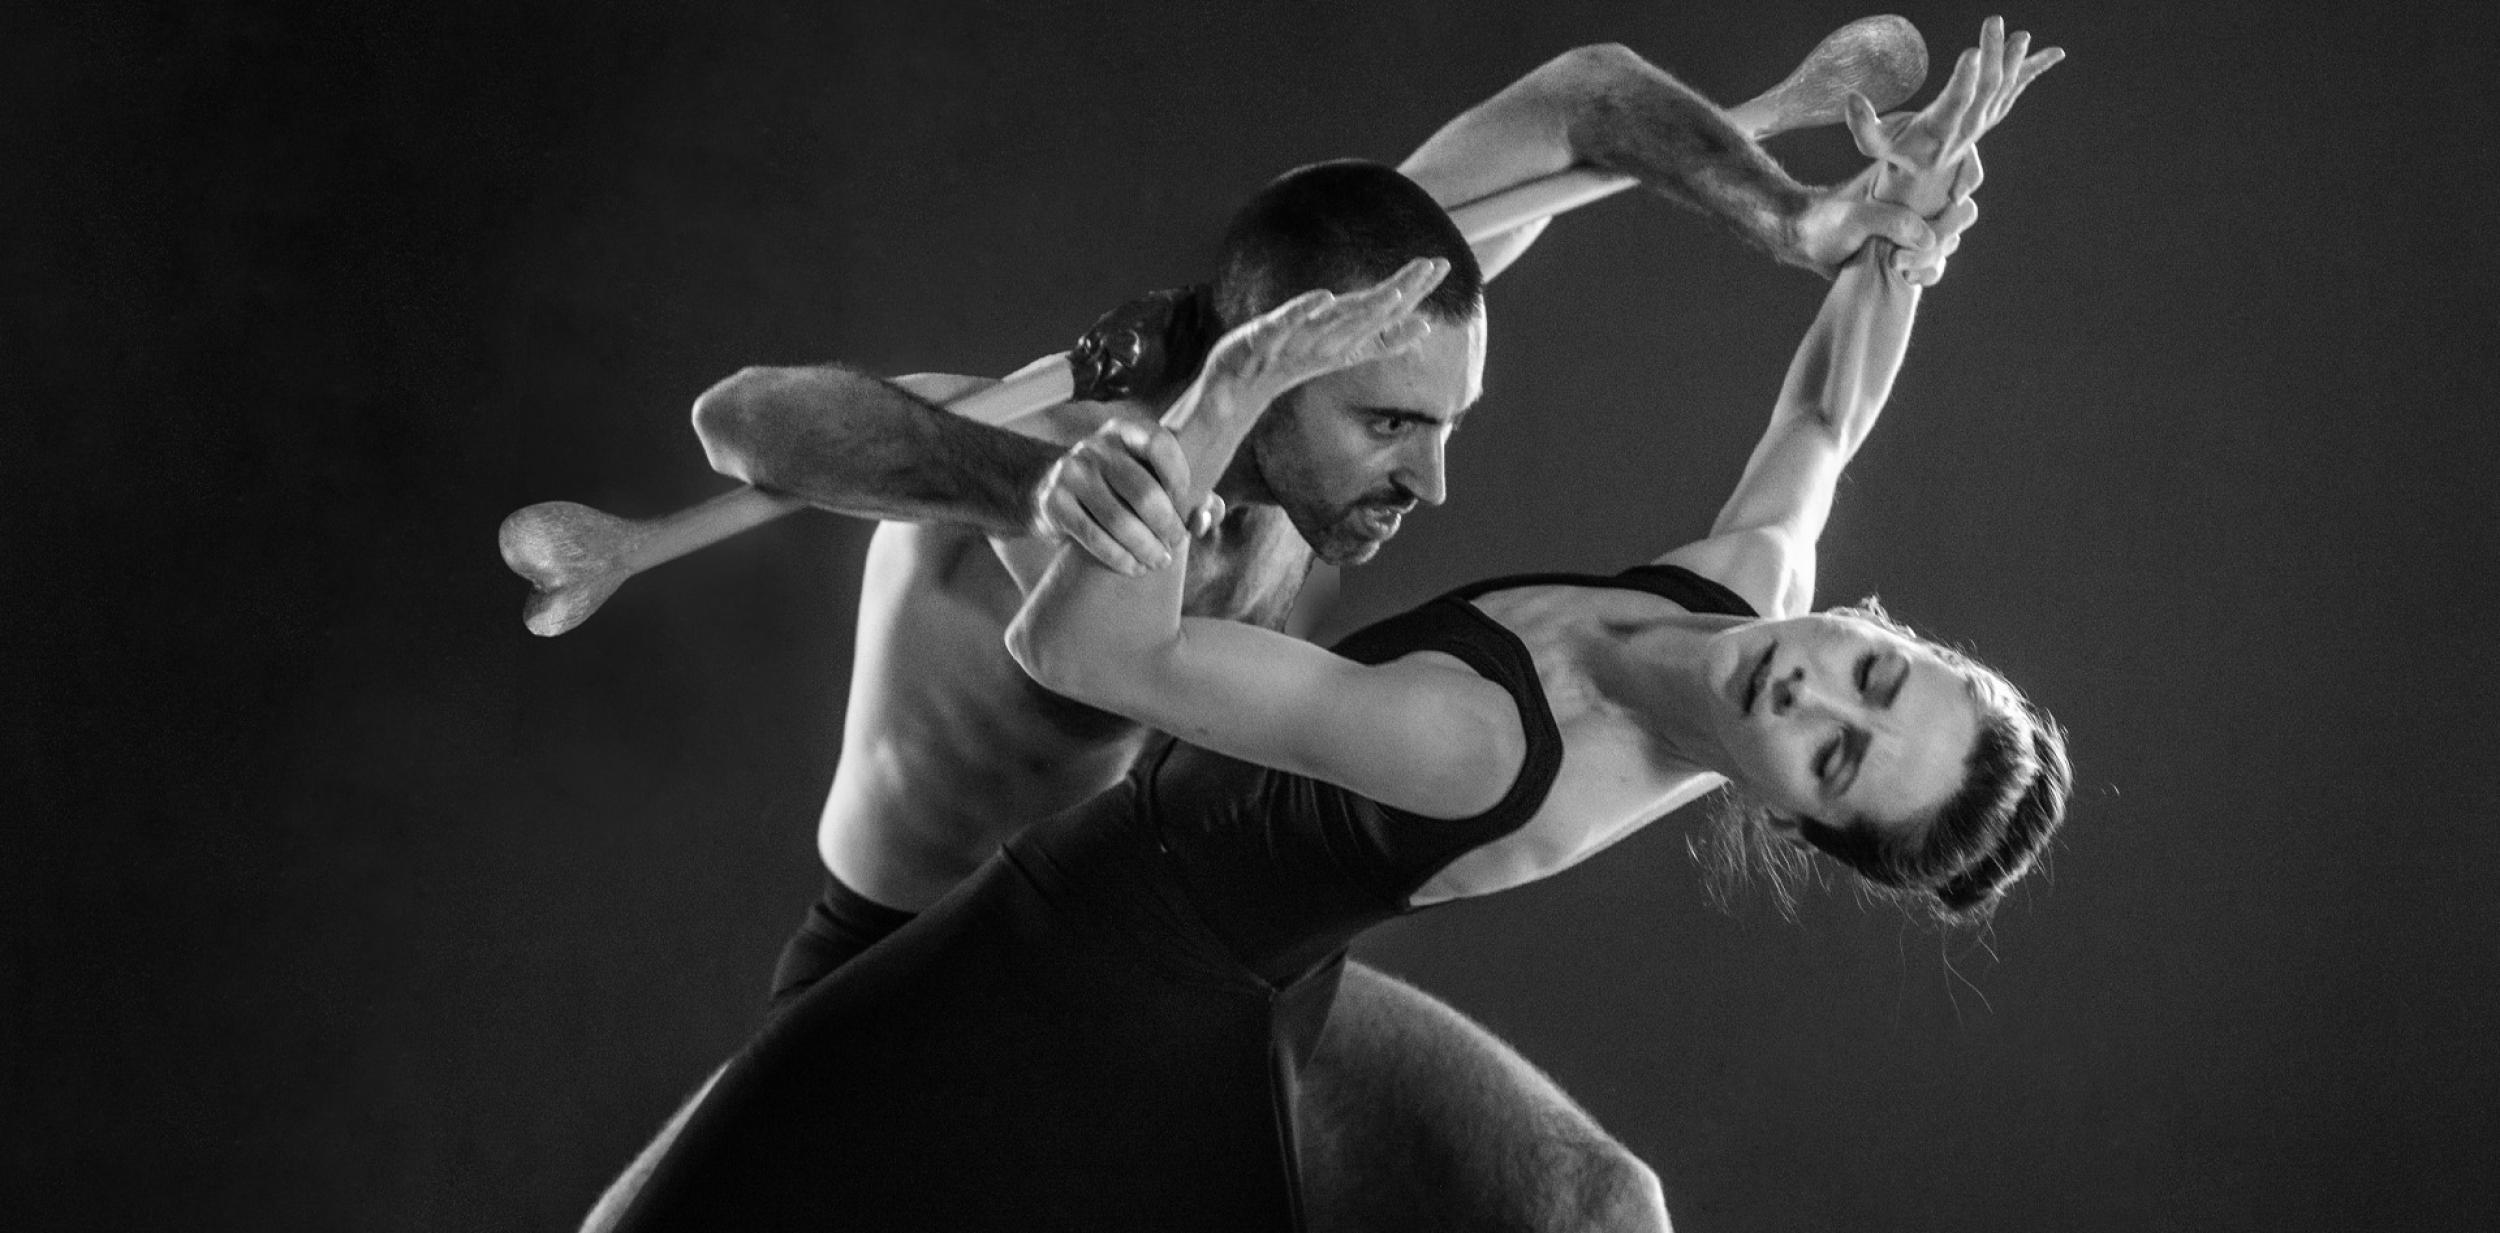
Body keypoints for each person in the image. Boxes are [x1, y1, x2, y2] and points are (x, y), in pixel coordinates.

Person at [605, 20, 2068, 1232]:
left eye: (1832, 761)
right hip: (933, 962)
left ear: (1797, 816)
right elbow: (756, 427)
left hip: (1213, 964)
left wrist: (1781, 214)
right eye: (1869, 675)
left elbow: (1574, 120)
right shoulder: (1085, 471)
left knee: (1603, 1208)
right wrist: (1871, 242)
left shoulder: (1369, 397)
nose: (1432, 477)